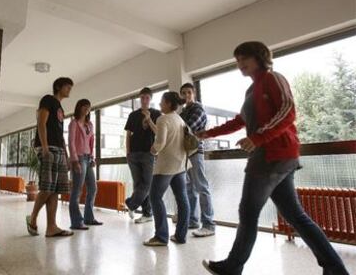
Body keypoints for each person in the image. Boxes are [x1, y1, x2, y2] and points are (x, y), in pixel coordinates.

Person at [200, 42, 349, 275]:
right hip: (275, 158)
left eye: (243, 58)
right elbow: (241, 121)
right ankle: (335, 269)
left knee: (248, 212)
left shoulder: (272, 78)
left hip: (273, 156)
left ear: (258, 57)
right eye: (237, 60)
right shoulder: (252, 90)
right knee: (295, 216)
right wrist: (208, 133)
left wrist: (258, 138)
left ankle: (233, 266)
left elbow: (288, 111)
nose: (239, 64)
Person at [26, 77, 74, 238]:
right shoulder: (48, 100)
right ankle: (32, 217)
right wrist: (45, 146)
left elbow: (60, 135)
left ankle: (51, 227)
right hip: (48, 148)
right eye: (67, 87)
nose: (69, 90)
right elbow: (41, 122)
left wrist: (66, 156)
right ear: (58, 87)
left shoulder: (60, 108)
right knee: (47, 187)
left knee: (56, 190)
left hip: (59, 150)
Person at [143, 92, 190, 246]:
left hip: (166, 166)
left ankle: (161, 237)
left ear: (169, 103)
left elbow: (161, 141)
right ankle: (180, 236)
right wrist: (150, 122)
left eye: (162, 102)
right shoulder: (179, 119)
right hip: (180, 165)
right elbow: (164, 133)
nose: (159, 105)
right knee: (182, 200)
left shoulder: (163, 118)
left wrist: (153, 149)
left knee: (155, 197)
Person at [180, 83, 215, 237]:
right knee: (189, 188)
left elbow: (188, 128)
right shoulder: (183, 111)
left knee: (201, 186)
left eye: (188, 92)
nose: (186, 95)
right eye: (183, 93)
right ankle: (193, 220)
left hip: (196, 152)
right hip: (186, 153)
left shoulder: (198, 109)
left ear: (193, 93)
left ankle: (209, 224)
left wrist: (177, 129)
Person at [124, 87, 161, 224]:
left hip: (148, 153)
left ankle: (131, 204)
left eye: (147, 97)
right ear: (140, 98)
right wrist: (127, 152)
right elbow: (128, 135)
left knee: (147, 183)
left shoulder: (156, 113)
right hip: (133, 154)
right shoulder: (132, 115)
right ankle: (147, 214)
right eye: (142, 97)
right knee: (139, 184)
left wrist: (148, 118)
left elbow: (159, 132)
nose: (144, 100)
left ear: (151, 99)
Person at [68, 99, 103, 229]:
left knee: (93, 188)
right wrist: (74, 160)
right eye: (84, 107)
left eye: (88, 108)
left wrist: (93, 157)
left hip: (88, 158)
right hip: (79, 158)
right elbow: (71, 143)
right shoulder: (73, 124)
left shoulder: (90, 125)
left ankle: (89, 218)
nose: (87, 110)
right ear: (79, 108)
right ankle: (76, 222)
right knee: (77, 191)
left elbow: (91, 142)